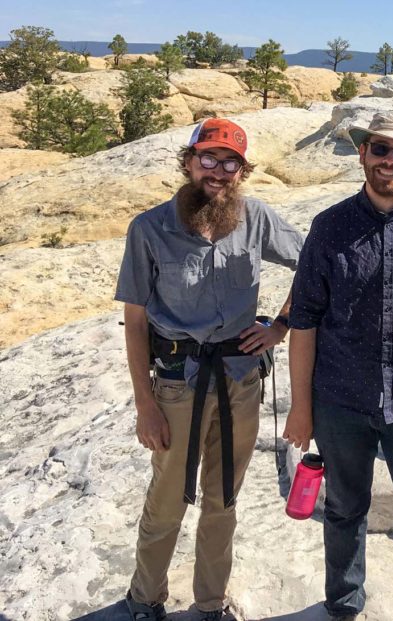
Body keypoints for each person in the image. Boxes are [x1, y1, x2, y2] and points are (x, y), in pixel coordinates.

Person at [115, 118, 303, 621]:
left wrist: (280, 325)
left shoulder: (256, 217)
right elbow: (134, 323)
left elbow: (313, 265)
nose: (218, 171)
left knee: (224, 498)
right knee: (167, 499)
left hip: (240, 380)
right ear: (188, 160)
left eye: (230, 162)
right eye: (209, 158)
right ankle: (144, 597)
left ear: (242, 171)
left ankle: (210, 601)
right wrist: (145, 405)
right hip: (177, 384)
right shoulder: (150, 229)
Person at [284, 110, 393, 621]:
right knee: (343, 509)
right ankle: (344, 605)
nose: (389, 161)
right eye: (379, 149)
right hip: (341, 399)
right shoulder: (329, 226)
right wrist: (301, 408)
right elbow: (305, 321)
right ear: (362, 153)